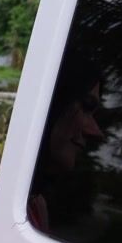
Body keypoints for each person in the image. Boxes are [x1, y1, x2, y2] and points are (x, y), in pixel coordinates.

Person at [27, 55, 104, 232]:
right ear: (53, 100)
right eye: (86, 106)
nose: (96, 132)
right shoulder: (11, 204)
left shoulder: (35, 204)